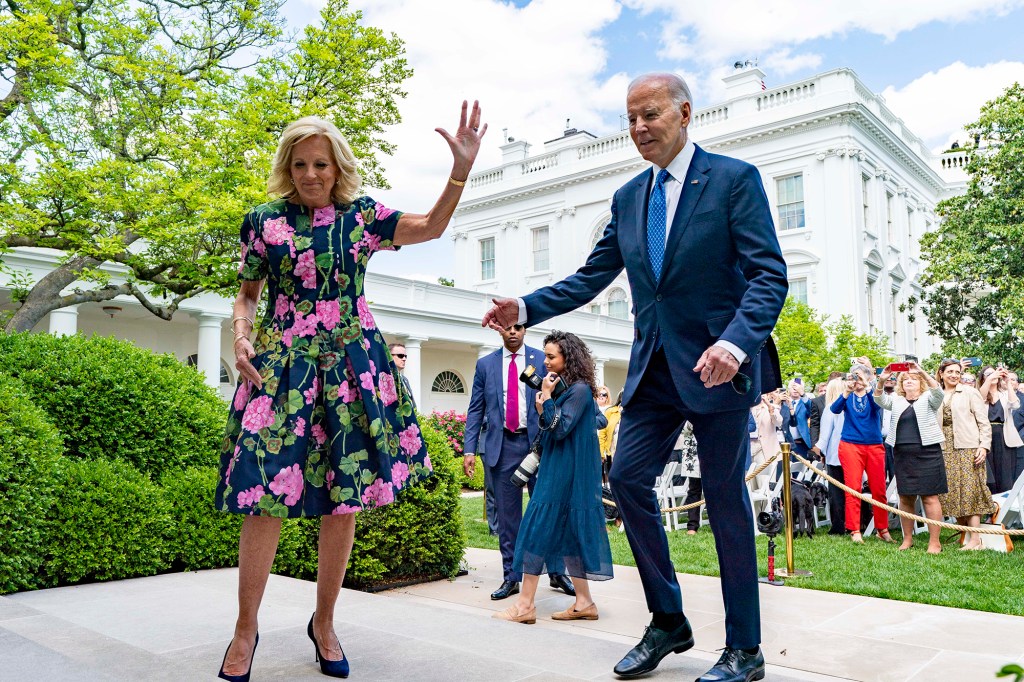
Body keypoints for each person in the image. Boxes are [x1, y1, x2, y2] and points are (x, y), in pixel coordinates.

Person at [481, 71, 787, 682]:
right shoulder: (627, 199)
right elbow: (588, 277)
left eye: (650, 115)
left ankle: (745, 649)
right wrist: (528, 307)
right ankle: (668, 619)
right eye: (630, 119)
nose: (639, 128)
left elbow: (768, 275)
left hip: (717, 369)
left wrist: (734, 342)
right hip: (654, 372)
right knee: (625, 479)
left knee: (727, 502)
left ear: (684, 113)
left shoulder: (732, 180)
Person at [214, 104, 487, 681]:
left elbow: (431, 228)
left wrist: (459, 172)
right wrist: (241, 337)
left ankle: (325, 622)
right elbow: (246, 295)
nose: (312, 174)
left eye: (322, 163)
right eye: (301, 164)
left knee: (344, 499)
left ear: (338, 167)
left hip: (352, 369)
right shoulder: (263, 221)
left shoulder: (362, 218)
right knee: (263, 497)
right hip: (282, 368)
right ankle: (245, 628)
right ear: (288, 168)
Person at [493, 331, 614, 624]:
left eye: (551, 356)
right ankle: (584, 602)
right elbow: (556, 425)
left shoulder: (582, 390)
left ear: (567, 358)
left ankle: (524, 607)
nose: (545, 362)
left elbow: (560, 429)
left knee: (535, 528)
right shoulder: (570, 389)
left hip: (564, 472)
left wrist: (546, 399)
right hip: (562, 468)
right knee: (568, 533)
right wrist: (547, 401)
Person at [462, 323, 576, 601]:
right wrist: (468, 450)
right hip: (503, 446)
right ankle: (511, 576)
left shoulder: (543, 359)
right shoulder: (486, 364)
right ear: (500, 332)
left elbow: (562, 398)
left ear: (525, 330)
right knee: (508, 516)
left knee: (548, 510)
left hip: (541, 444)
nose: (513, 332)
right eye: (508, 328)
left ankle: (557, 572)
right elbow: (476, 407)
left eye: (519, 327)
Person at [873, 364, 946, 553]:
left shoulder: (928, 398)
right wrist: (882, 379)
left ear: (920, 382)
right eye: (905, 379)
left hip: (928, 452)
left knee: (930, 497)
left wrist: (920, 371)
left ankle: (934, 542)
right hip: (903, 453)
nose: (909, 381)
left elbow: (938, 393)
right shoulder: (896, 400)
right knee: (905, 497)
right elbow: (879, 399)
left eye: (913, 378)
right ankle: (907, 539)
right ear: (901, 384)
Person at [830, 359, 892, 544]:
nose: (857, 380)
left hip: (874, 445)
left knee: (879, 489)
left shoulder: (873, 395)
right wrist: (847, 391)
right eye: (854, 376)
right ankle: (854, 529)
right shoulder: (847, 396)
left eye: (860, 376)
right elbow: (834, 409)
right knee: (853, 488)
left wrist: (868, 385)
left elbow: (876, 406)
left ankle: (882, 528)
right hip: (850, 445)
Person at [935, 359, 995, 551]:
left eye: (957, 372)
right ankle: (966, 535)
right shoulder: (936, 394)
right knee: (951, 493)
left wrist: (984, 446)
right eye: (950, 371)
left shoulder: (970, 392)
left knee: (971, 491)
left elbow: (984, 422)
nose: (954, 375)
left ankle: (976, 539)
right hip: (944, 448)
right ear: (941, 373)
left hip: (969, 447)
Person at [978, 365, 1022, 494]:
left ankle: (1004, 506)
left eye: (995, 372)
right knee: (989, 474)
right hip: (986, 436)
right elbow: (979, 398)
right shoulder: (980, 394)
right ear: (983, 378)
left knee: (1006, 473)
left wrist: (1008, 382)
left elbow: (1015, 404)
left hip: (1004, 436)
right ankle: (991, 506)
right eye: (988, 373)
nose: (994, 374)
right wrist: (990, 378)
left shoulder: (1003, 394)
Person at [811, 378, 847, 535]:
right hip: (851, 454)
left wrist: (819, 451)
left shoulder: (830, 409)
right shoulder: (849, 407)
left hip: (835, 455)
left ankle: (839, 525)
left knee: (837, 493)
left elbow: (825, 435)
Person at [749, 391, 783, 492]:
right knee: (750, 485)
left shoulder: (771, 407)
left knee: (764, 485)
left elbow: (778, 422)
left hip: (765, 450)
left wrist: (770, 407)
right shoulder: (747, 408)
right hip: (748, 449)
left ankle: (766, 507)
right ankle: (754, 508)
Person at [599, 388, 623, 482]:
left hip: (627, 450)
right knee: (613, 479)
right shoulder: (611, 411)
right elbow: (603, 432)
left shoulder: (634, 412)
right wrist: (602, 452)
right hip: (612, 452)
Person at [388, 342, 416, 410]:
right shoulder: (385, 379)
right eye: (400, 355)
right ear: (389, 356)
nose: (404, 359)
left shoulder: (404, 379)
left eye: (405, 356)